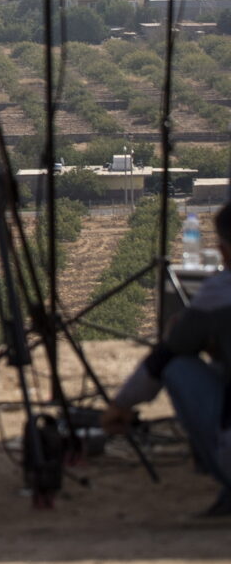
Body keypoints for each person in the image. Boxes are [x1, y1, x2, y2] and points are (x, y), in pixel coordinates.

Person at [103, 204, 231, 519]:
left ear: (224, 250)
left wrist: (120, 405)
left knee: (178, 367)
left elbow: (167, 355)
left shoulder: (219, 292)